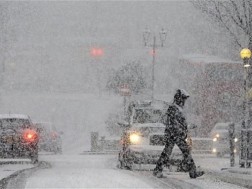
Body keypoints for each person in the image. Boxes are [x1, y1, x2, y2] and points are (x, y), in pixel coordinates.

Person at [153, 89, 204, 179]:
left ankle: (158, 169)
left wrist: (186, 127)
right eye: (183, 99)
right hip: (175, 135)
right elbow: (175, 124)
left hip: (174, 134)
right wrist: (181, 132)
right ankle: (192, 172)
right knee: (184, 152)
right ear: (179, 99)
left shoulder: (176, 109)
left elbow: (179, 123)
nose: (184, 102)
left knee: (169, 152)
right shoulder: (174, 109)